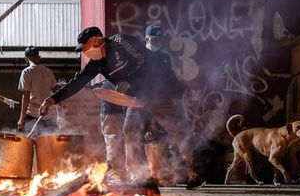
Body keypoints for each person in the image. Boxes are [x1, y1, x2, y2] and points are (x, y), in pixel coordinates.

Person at [39, 26, 198, 186]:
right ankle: (143, 177)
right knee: (130, 129)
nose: (84, 52)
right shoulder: (97, 63)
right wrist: (53, 99)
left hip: (159, 93)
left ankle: (195, 172)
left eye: (85, 47)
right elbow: (78, 82)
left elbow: (146, 60)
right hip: (136, 99)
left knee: (178, 132)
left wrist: (129, 82)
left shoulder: (122, 42)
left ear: (95, 41)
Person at [17, 46, 58, 136]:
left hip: (32, 116)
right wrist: (59, 115)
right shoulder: (48, 72)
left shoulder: (26, 72)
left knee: (30, 145)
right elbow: (57, 92)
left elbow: (26, 96)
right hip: (48, 116)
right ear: (39, 58)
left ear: (25, 59)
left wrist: (22, 118)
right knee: (47, 145)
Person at [98, 80, 127, 183]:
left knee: (129, 138)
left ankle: (123, 172)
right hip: (111, 103)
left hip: (128, 98)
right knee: (113, 138)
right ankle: (115, 172)